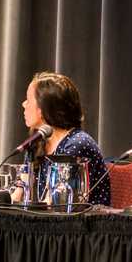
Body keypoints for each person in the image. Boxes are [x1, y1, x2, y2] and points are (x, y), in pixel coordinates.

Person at [14, 71, 111, 206]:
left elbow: (57, 204)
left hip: (82, 223)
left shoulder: (77, 144)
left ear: (44, 108)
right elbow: (19, 193)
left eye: (29, 100)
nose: (24, 104)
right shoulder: (37, 142)